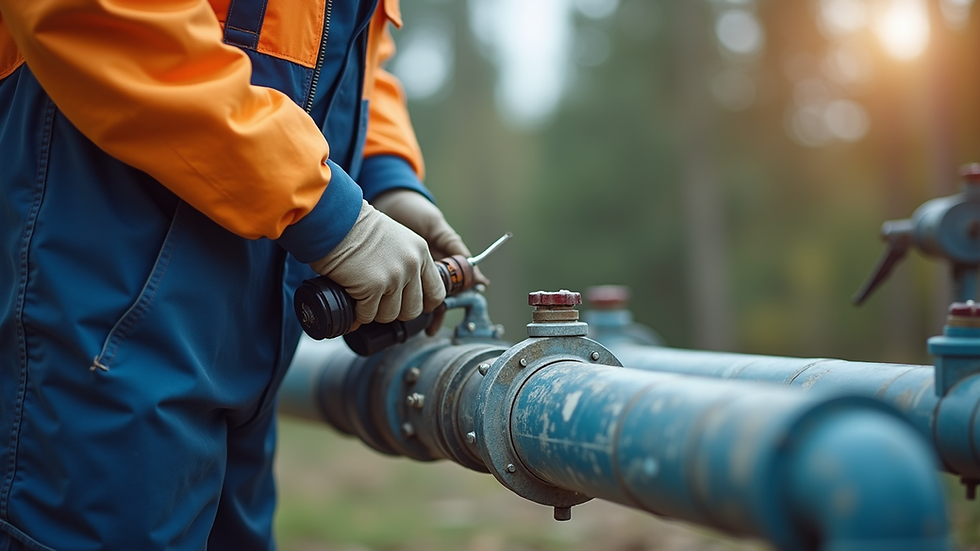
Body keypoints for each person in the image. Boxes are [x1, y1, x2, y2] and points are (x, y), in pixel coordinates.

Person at [0, 0, 475, 549]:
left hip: (255, 317)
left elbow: (347, 49)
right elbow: (99, 15)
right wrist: (328, 214)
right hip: (107, 284)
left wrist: (384, 173)